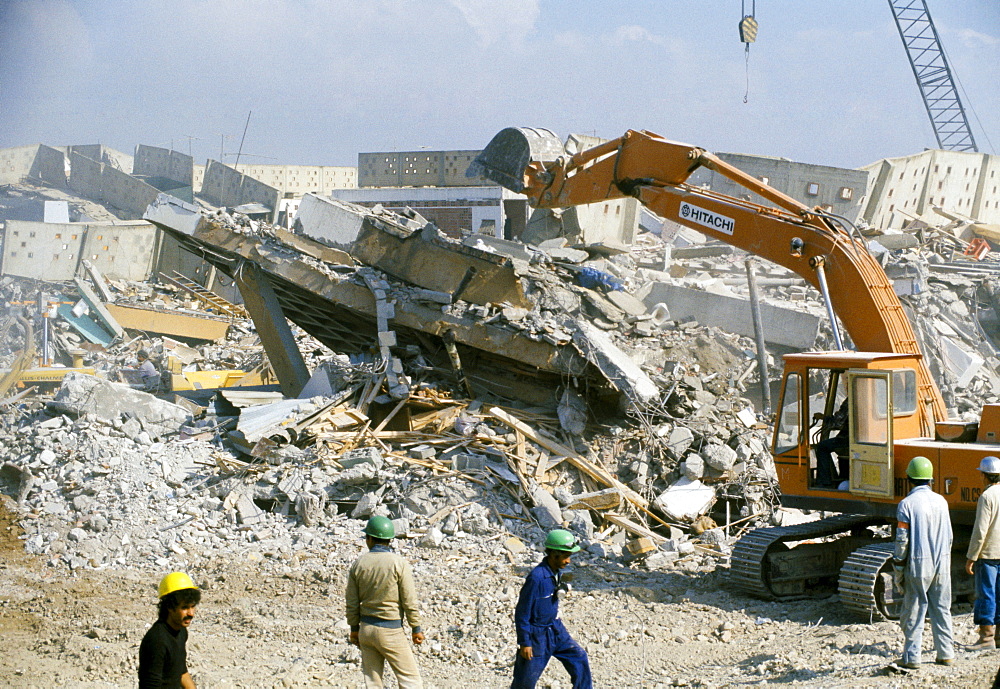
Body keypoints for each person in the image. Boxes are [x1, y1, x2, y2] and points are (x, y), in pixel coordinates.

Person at [346, 515, 424, 689]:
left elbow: (351, 603)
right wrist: (416, 628)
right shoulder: (398, 563)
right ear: (389, 540)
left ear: (370, 539)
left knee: (373, 683)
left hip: (366, 630)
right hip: (391, 631)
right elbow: (409, 600)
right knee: (411, 681)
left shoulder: (358, 564)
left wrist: (354, 629)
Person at [892, 456, 954, 669]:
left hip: (919, 564)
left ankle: (912, 657)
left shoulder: (906, 504)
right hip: (942, 562)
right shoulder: (942, 501)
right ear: (930, 479)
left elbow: (902, 541)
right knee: (941, 608)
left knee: (915, 610)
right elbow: (950, 536)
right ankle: (946, 653)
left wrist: (898, 568)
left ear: (909, 478)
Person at [511, 529, 592, 689]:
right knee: (526, 680)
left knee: (579, 657)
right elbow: (522, 612)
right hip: (537, 636)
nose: (568, 561)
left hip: (555, 629)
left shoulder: (555, 572)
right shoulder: (536, 578)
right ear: (554, 554)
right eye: (565, 556)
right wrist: (525, 642)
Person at [139, 571, 200, 689]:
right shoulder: (157, 640)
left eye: (192, 607)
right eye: (184, 608)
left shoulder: (181, 631)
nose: (191, 613)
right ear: (170, 607)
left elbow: (181, 671)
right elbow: (151, 684)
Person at [965, 456, 1000, 650]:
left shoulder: (987, 497)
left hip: (988, 554)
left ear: (984, 476)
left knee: (986, 594)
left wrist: (971, 556)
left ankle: (987, 638)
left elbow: (980, 530)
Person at [815, 398, 849, 488]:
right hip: (859, 438)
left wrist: (823, 418)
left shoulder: (851, 399)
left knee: (822, 447)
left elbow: (837, 423)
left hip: (848, 439)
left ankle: (824, 481)